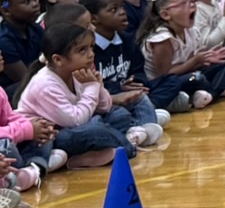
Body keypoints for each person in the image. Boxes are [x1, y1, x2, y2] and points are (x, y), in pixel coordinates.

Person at [20, 19, 160, 167]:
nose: (91, 54)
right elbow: (76, 121)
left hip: (78, 125)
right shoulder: (45, 84)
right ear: (58, 59)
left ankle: (84, 157)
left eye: (91, 47)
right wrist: (91, 87)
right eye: (82, 50)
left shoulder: (77, 71)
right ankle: (129, 145)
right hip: (53, 137)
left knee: (119, 114)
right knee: (94, 129)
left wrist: (98, 85)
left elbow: (105, 107)